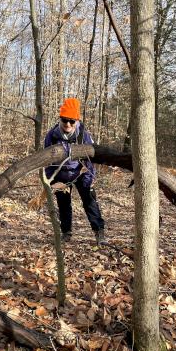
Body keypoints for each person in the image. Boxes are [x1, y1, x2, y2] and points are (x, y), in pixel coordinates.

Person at [44, 98, 106, 244]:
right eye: (65, 120)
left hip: (81, 172)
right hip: (60, 175)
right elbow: (46, 160)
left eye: (72, 121)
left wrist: (89, 178)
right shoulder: (52, 136)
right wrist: (50, 180)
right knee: (63, 204)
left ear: (76, 121)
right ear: (60, 119)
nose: (68, 124)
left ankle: (99, 232)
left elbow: (91, 158)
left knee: (90, 202)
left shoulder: (83, 135)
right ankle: (66, 232)